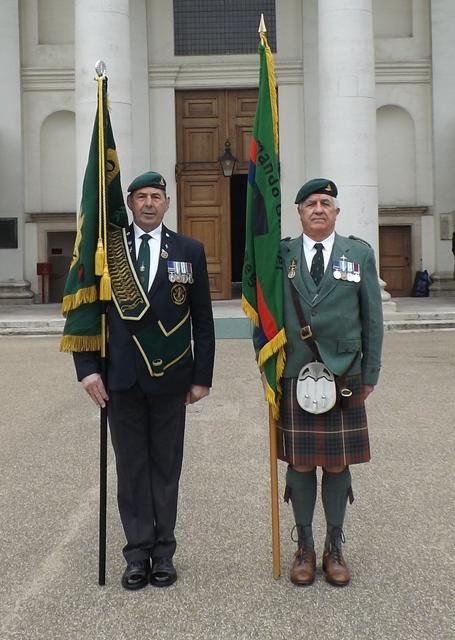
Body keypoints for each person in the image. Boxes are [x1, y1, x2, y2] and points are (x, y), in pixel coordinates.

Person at [73, 171, 215, 590]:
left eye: (156, 196)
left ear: (167, 203)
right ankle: (137, 554)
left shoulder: (189, 250)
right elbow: (88, 312)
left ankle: (164, 553)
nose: (149, 203)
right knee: (132, 468)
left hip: (172, 378)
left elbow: (203, 320)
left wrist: (202, 376)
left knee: (166, 468)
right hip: (121, 379)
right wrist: (87, 368)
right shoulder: (107, 252)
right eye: (141, 197)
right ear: (130, 204)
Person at [273, 177, 383, 586]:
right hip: (294, 372)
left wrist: (370, 371)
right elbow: (264, 313)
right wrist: (267, 367)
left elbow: (373, 316)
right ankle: (303, 545)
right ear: (299, 212)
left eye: (325, 203)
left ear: (336, 212)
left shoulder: (359, 253)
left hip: (344, 373)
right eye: (309, 204)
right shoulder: (280, 254)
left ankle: (334, 548)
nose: (318, 208)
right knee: (300, 461)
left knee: (337, 462)